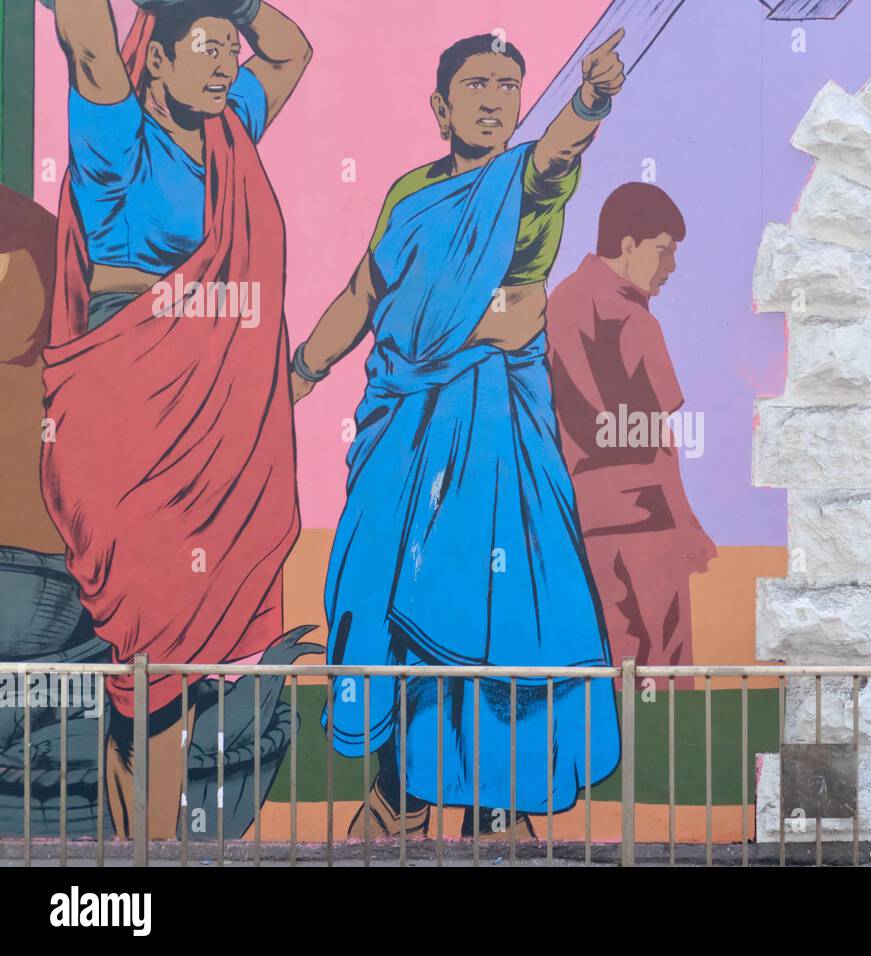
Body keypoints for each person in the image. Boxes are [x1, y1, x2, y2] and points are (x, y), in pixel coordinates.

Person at [292, 31, 629, 842]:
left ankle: (497, 808)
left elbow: (555, 157)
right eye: (474, 84)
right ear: (440, 106)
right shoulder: (411, 195)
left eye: (508, 85)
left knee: (497, 611)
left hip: (497, 431)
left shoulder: (525, 183)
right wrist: (299, 372)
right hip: (402, 431)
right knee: (383, 599)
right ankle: (400, 797)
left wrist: (589, 100)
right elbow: (364, 291)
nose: (491, 97)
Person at [37, 0, 312, 840]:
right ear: (152, 62)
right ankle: (155, 858)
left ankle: (141, 841)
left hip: (216, 444)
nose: (229, 62)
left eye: (233, 49)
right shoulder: (115, 139)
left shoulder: (230, 134)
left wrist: (232, 6)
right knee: (150, 646)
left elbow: (292, 50)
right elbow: (86, 29)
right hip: (127, 425)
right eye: (208, 48)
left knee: (175, 670)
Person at [546, 184, 715, 681]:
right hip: (643, 523)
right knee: (660, 671)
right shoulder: (628, 317)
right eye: (663, 250)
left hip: (586, 520)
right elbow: (652, 437)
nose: (671, 267)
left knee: (607, 668)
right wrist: (683, 523)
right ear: (627, 245)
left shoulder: (564, 302)